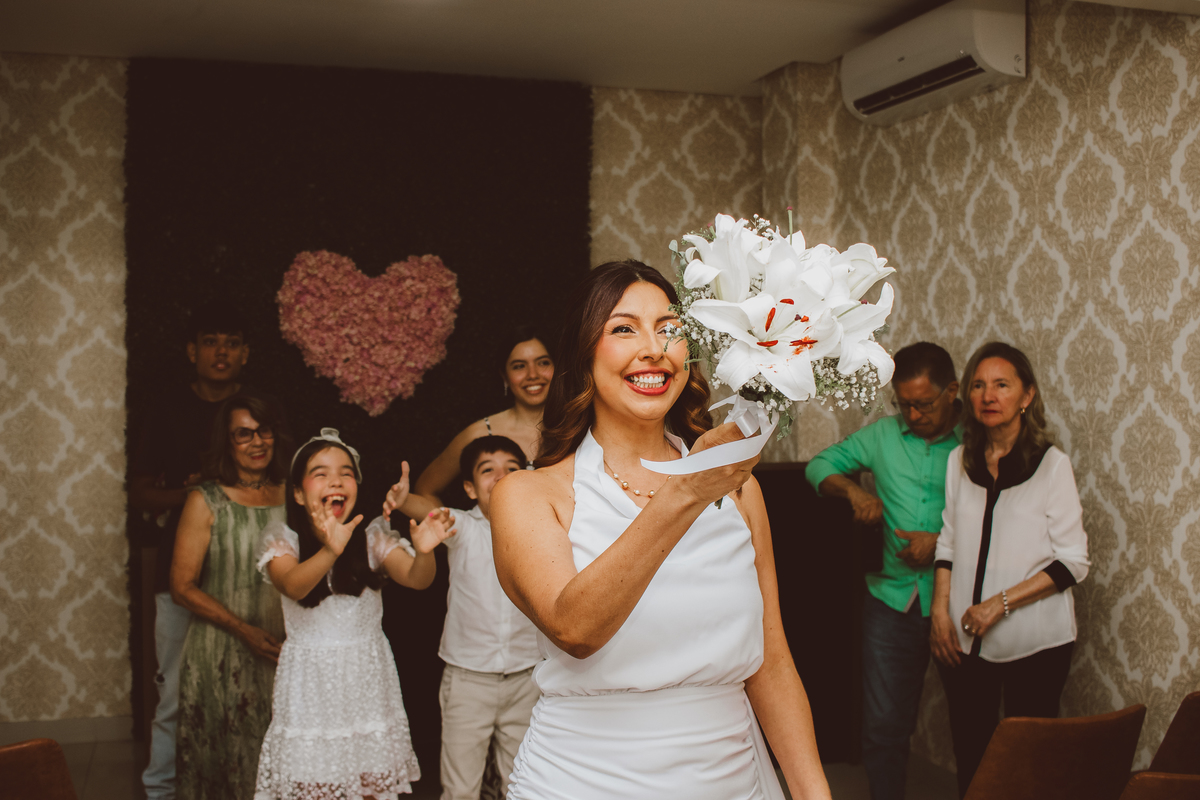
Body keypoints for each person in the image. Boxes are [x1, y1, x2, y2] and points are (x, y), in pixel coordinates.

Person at [490, 260, 831, 800]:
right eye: (623, 329)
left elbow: (772, 661)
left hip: (733, 782)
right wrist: (687, 490)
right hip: (583, 784)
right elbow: (574, 629)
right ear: (583, 355)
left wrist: (814, 793)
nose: (653, 348)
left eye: (670, 329)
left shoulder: (740, 490)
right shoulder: (528, 495)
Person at [254, 429, 454, 799]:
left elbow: (416, 580)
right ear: (298, 493)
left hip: (366, 676)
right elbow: (294, 586)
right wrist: (330, 549)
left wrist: (425, 552)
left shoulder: (373, 537)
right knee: (313, 785)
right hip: (310, 684)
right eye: (321, 473)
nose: (336, 480)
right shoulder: (283, 541)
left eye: (346, 472)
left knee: (369, 787)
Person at [930, 342, 1089, 797]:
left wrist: (1000, 604)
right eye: (978, 385)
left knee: (1028, 760)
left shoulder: (1051, 466)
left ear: (1027, 396)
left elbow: (1073, 562)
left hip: (1036, 642)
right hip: (963, 640)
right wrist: (940, 613)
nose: (988, 395)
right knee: (973, 758)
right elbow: (949, 540)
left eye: (1002, 385)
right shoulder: (957, 461)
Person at [804, 342, 962, 800]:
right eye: (904, 404)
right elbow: (819, 467)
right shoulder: (883, 435)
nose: (912, 414)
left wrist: (940, 544)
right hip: (891, 600)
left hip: (958, 599)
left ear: (951, 391)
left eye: (924, 404)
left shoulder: (975, 440)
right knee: (883, 727)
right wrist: (854, 493)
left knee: (973, 723)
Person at [130, 304, 251, 800]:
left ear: (246, 353)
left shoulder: (256, 413)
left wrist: (204, 486)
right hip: (177, 576)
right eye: (210, 340)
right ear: (191, 351)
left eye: (231, 341)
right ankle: (160, 790)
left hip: (246, 571)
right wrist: (199, 494)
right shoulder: (165, 410)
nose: (220, 351)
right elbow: (140, 495)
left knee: (243, 690)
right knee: (175, 693)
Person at [386, 435, 540, 800]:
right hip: (468, 680)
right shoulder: (464, 527)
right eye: (488, 470)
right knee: (460, 788)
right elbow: (433, 514)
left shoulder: (541, 529)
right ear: (470, 489)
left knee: (524, 783)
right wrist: (404, 500)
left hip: (527, 677)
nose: (501, 476)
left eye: (512, 469)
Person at [170, 393, 290, 800]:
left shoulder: (295, 495)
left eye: (264, 431)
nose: (257, 442)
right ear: (227, 440)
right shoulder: (205, 499)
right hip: (220, 649)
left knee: (278, 762)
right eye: (244, 434)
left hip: (281, 650)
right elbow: (182, 587)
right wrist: (244, 631)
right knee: (222, 761)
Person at [414, 326, 553, 505]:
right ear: (504, 376)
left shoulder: (578, 426)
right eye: (519, 366)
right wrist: (452, 531)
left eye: (543, 363)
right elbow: (425, 490)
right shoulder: (479, 433)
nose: (533, 375)